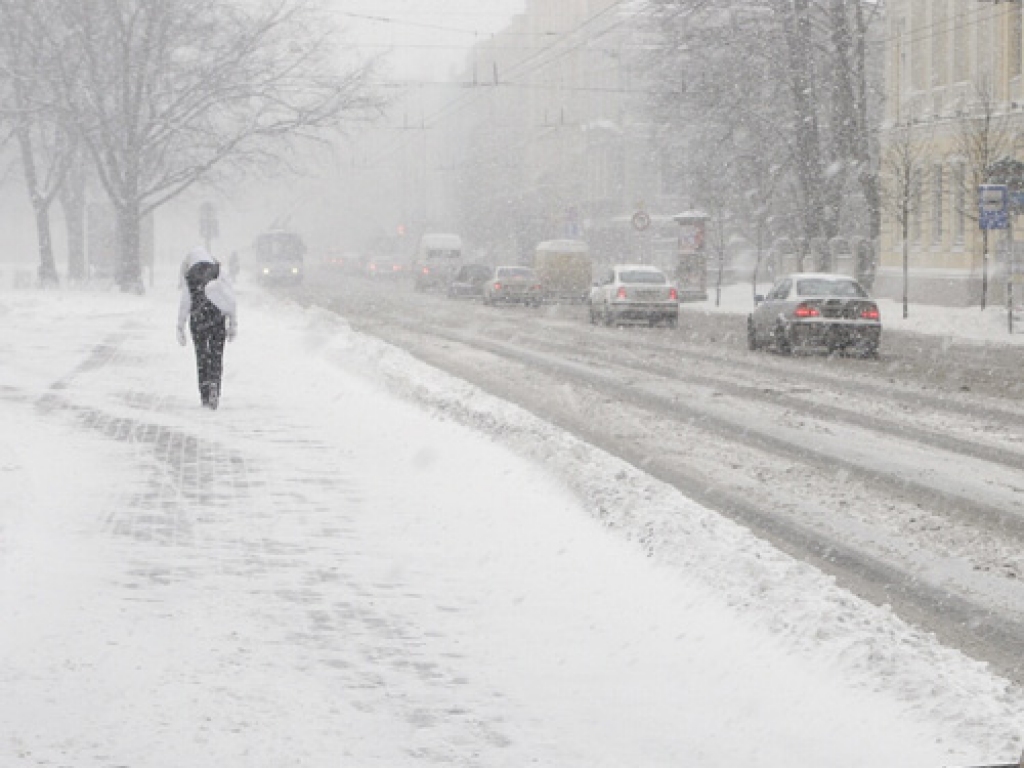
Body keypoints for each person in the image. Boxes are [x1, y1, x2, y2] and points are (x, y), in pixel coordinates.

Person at [177, 246, 237, 409]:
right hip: (218, 320)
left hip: (198, 321)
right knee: (216, 357)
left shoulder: (190, 276)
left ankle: (204, 394)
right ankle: (215, 386)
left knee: (202, 357)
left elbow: (185, 303)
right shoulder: (219, 273)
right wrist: (233, 323)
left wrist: (180, 326)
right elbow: (230, 299)